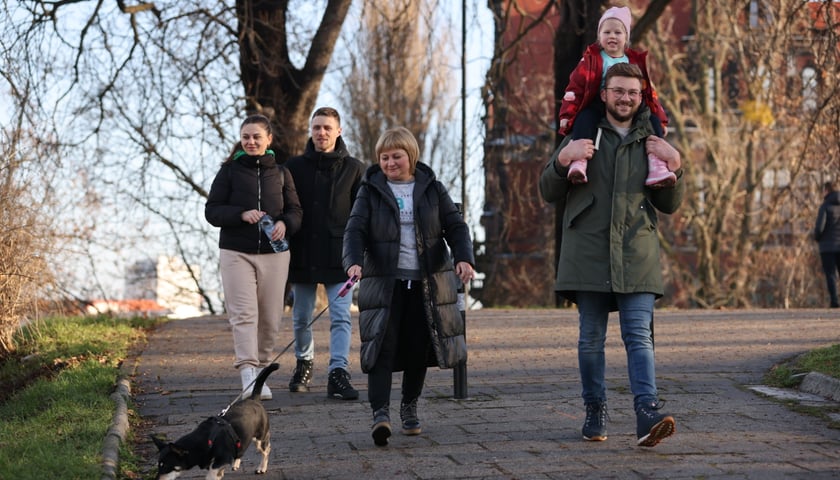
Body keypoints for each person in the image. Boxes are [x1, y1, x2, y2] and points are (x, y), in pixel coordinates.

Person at [539, 63, 685, 447]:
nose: (626, 98)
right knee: (590, 339)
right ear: (604, 94)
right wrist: (561, 160)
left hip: (637, 250)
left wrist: (676, 165)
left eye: (633, 93)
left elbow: (668, 203)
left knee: (639, 336)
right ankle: (595, 410)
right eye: (618, 91)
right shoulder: (582, 134)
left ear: (642, 97)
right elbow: (547, 190)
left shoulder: (652, 137)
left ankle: (646, 413)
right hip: (587, 250)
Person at [342, 126, 475, 447]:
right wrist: (352, 262)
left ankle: (409, 406)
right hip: (384, 285)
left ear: (410, 156)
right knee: (380, 347)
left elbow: (456, 227)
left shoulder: (432, 189)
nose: (390, 163)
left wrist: (464, 258)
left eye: (396, 156)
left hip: (426, 284)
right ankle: (380, 414)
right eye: (384, 157)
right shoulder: (369, 190)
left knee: (418, 348)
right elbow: (354, 230)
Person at [205, 114, 303, 400]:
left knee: (271, 317)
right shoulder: (229, 172)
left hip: (275, 254)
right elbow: (212, 211)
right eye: (246, 136)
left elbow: (296, 211)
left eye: (256, 137)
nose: (250, 141)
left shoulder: (282, 173)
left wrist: (285, 223)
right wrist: (240, 214)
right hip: (236, 252)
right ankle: (248, 372)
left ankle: (261, 369)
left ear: (268, 139)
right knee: (244, 314)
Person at [285, 107, 366, 399]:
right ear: (311, 130)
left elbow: (362, 214)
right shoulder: (293, 167)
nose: (321, 133)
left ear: (339, 131)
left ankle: (338, 372)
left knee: (341, 317)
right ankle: (304, 363)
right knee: (301, 316)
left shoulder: (355, 168)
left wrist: (360, 255)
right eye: (317, 127)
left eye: (327, 128)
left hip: (340, 256)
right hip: (303, 254)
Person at [557, 5, 675, 188]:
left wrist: (661, 119)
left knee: (651, 121)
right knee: (584, 119)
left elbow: (648, 92)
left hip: (630, 107)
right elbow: (575, 88)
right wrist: (567, 115)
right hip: (598, 103)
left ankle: (657, 165)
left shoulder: (634, 61)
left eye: (618, 32)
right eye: (607, 32)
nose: (612, 36)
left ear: (626, 38)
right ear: (599, 37)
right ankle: (579, 162)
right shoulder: (591, 59)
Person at [814, 180, 840, 308]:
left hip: (828, 247)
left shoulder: (825, 206)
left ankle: (835, 302)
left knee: (831, 275)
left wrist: (817, 238)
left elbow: (819, 228)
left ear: (827, 191)